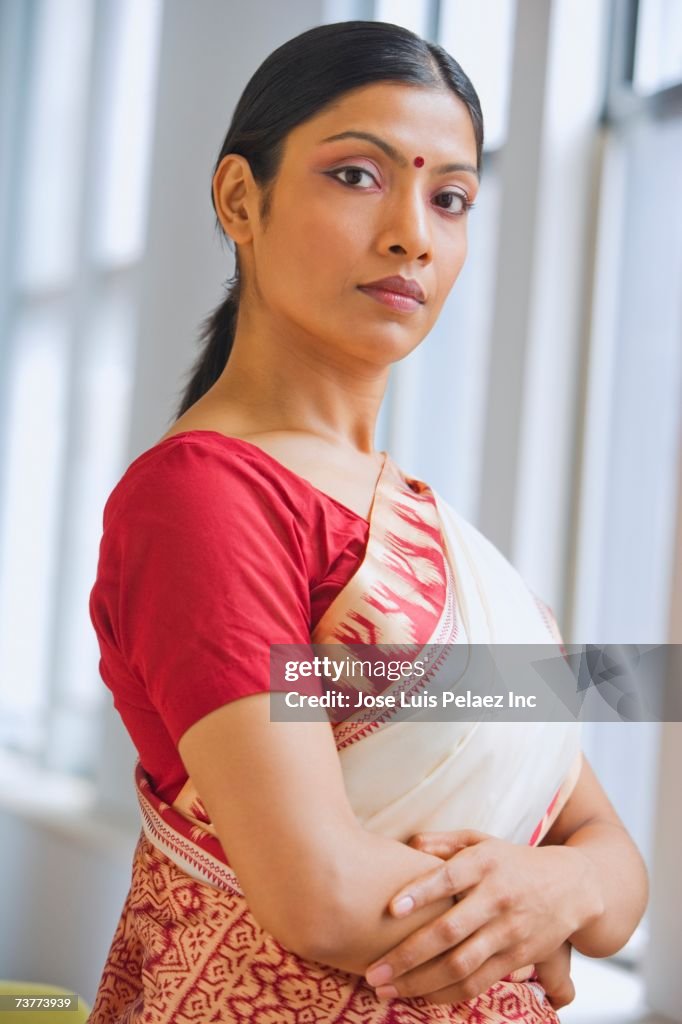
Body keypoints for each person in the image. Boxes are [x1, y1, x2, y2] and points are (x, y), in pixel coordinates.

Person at [86, 20, 648, 1024]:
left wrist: (564, 890)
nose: (411, 234)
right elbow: (321, 894)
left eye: (450, 198)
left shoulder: (439, 544)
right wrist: (531, 916)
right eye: (356, 176)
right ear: (238, 199)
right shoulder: (205, 498)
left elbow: (610, 863)